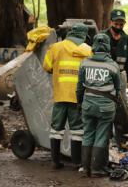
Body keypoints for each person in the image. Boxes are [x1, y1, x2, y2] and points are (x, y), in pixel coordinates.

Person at [43, 23, 92, 169]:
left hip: (60, 95)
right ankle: (77, 162)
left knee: (56, 129)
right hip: (78, 97)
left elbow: (46, 66)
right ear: (83, 36)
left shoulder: (56, 47)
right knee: (77, 130)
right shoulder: (89, 51)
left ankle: (55, 161)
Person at [76, 33, 121, 177]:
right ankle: (97, 170)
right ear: (107, 47)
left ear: (93, 46)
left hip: (87, 105)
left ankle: (85, 168)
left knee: (88, 134)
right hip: (105, 107)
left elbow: (79, 87)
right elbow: (118, 89)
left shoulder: (84, 63)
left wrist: (79, 102)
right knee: (101, 136)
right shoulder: (112, 66)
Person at [102, 9, 128, 99]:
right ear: (111, 22)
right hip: (104, 75)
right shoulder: (102, 36)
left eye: (121, 24)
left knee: (120, 101)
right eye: (116, 24)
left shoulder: (126, 39)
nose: (119, 27)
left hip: (119, 76)